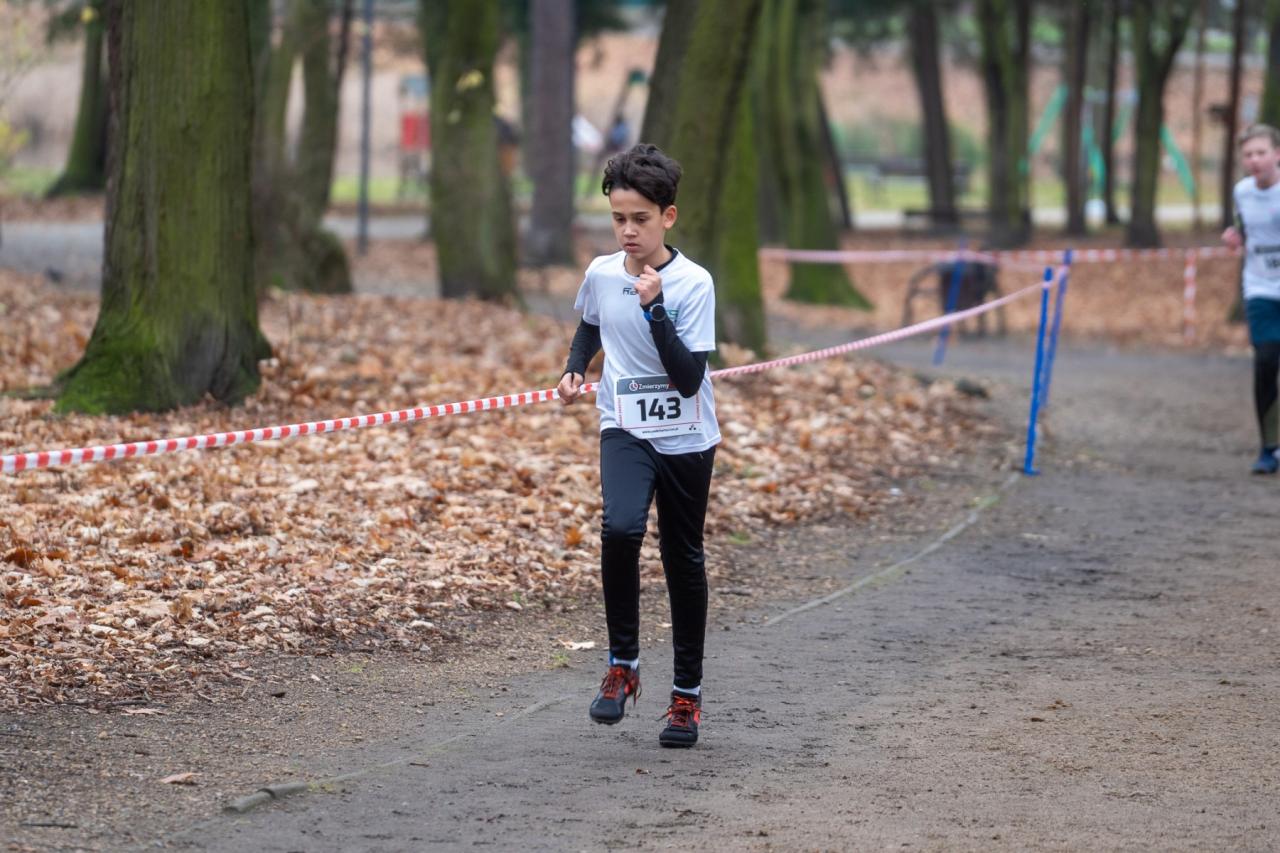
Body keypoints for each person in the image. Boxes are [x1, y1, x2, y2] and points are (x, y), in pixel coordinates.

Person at [557, 144, 719, 748]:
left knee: (683, 559)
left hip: (685, 436)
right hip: (624, 426)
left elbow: (687, 378)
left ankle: (686, 698)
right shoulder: (602, 272)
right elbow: (592, 322)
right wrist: (576, 366)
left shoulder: (693, 283)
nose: (628, 231)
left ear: (667, 217)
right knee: (621, 529)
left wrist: (655, 310)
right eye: (619, 218)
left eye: (641, 219)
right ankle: (623, 665)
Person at [1223, 124, 1280, 475]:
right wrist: (1234, 238)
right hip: (1260, 287)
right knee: (1266, 361)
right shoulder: (1241, 192)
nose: (1254, 160)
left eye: (1261, 152)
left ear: (1277, 154)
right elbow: (1243, 231)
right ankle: (1269, 446)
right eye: (1248, 154)